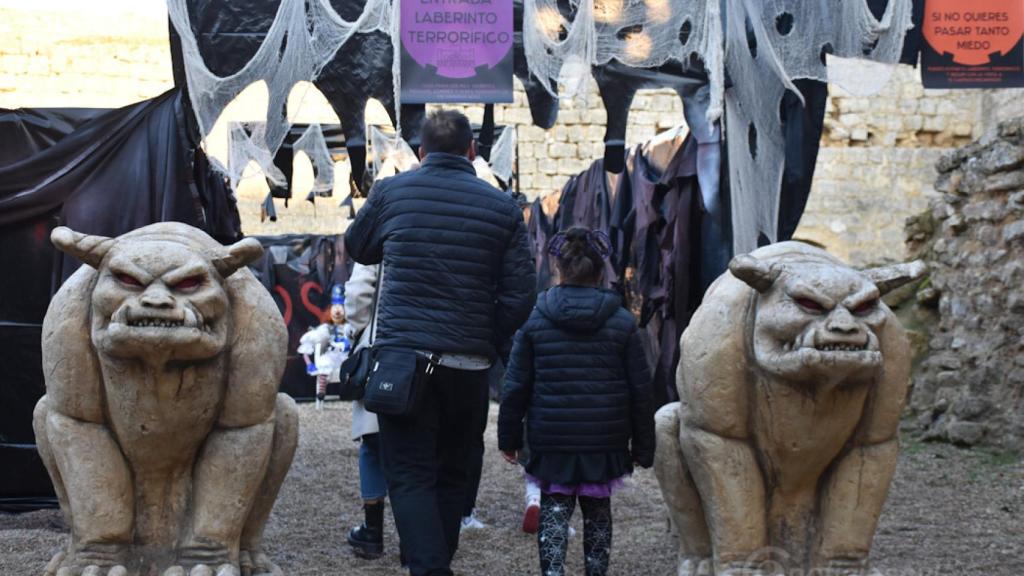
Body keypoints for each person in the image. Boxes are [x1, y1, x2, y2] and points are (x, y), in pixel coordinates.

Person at [345, 109, 536, 576]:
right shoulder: (503, 208)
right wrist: (485, 339)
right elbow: (521, 294)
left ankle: (428, 567)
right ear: (473, 152)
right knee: (455, 474)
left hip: (402, 364)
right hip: (467, 368)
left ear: (421, 152)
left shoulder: (391, 192)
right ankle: (430, 563)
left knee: (408, 474)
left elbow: (358, 246)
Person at [497, 226, 656, 576]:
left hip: (551, 438)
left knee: (554, 512)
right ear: (601, 272)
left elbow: (516, 386)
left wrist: (509, 439)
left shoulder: (536, 319)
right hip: (605, 439)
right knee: (598, 513)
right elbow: (640, 390)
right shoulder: (621, 323)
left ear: (558, 269)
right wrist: (644, 447)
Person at [343, 263, 389, 559]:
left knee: (373, 446)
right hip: (432, 345)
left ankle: (372, 532)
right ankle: (417, 539)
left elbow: (360, 290)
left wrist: (357, 330)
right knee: (420, 454)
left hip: (382, 344)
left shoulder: (382, 228)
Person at [297, 285, 352, 410]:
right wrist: (309, 364)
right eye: (335, 307)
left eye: (341, 307)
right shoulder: (326, 329)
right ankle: (320, 395)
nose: (338, 311)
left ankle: (353, 395)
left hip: (347, 356)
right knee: (324, 363)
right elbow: (307, 344)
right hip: (332, 356)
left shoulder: (351, 327)